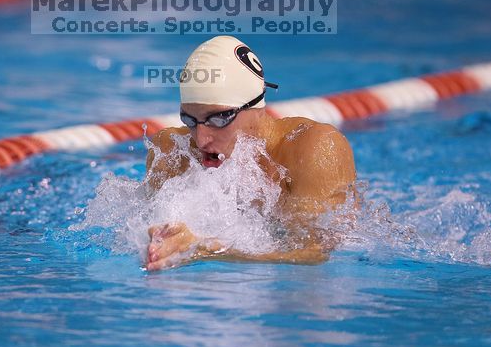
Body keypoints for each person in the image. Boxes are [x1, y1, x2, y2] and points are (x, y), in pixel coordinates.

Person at [145, 36, 356, 271]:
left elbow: (313, 254)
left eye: (218, 119)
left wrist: (204, 249)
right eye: (189, 120)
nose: (201, 139)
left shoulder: (311, 150)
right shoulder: (172, 151)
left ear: (256, 107)